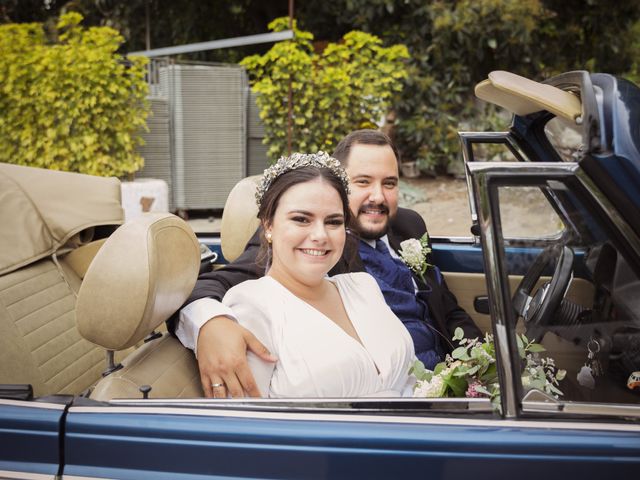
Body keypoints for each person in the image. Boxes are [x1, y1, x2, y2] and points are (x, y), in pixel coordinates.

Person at [172, 129, 481, 398]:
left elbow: (446, 306)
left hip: (437, 386)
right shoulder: (294, 250)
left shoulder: (409, 226)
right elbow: (217, 284)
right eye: (363, 181)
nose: (378, 196)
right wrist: (210, 323)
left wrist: (481, 362)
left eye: (389, 183)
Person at [221, 152, 415, 397]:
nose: (321, 236)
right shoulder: (250, 306)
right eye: (302, 219)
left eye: (333, 222)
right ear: (268, 225)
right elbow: (246, 423)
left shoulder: (364, 286)